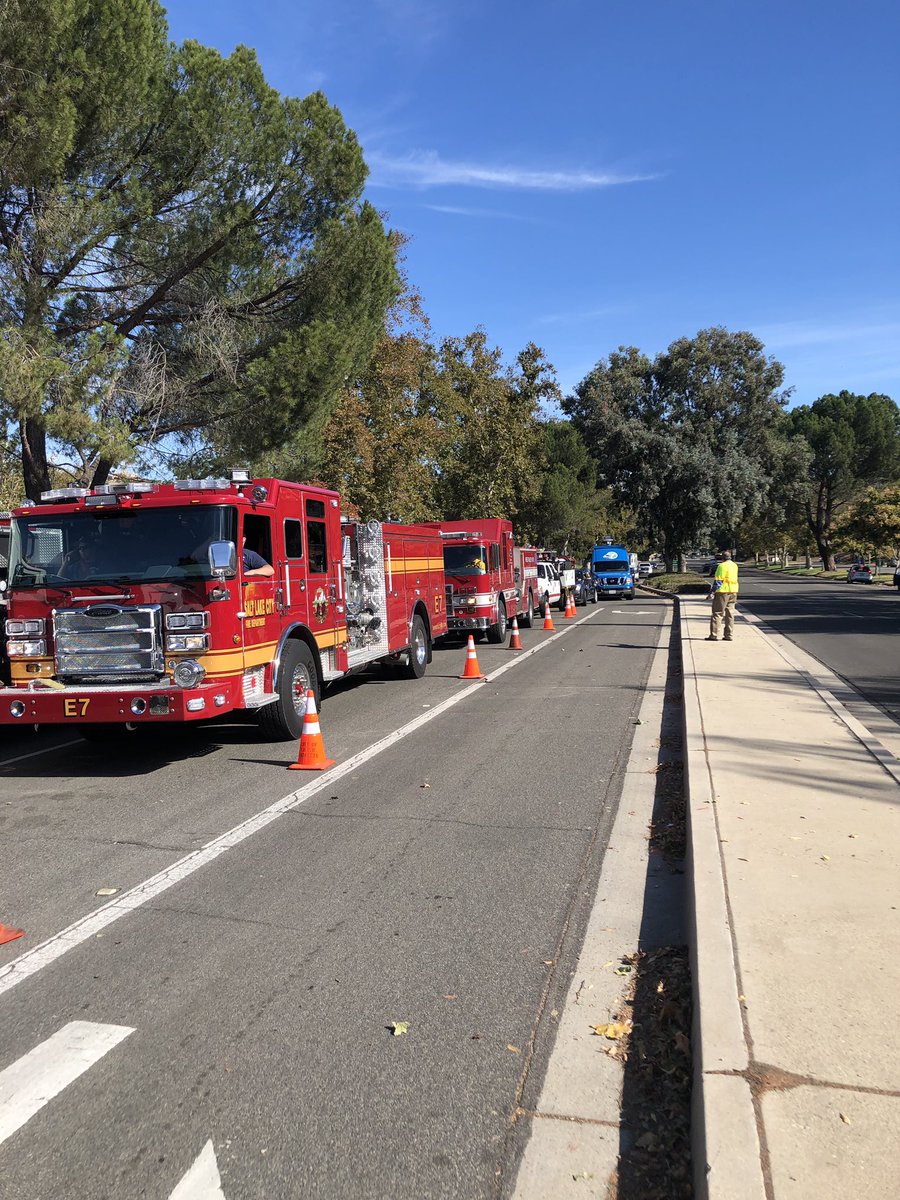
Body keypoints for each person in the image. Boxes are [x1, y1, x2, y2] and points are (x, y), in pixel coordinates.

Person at [706, 549, 739, 641]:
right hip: (733, 591)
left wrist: (712, 592)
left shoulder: (721, 566)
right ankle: (729, 635)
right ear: (730, 557)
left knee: (717, 613)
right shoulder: (734, 565)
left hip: (722, 592)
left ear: (722, 558)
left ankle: (714, 635)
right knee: (730, 614)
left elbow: (718, 581)